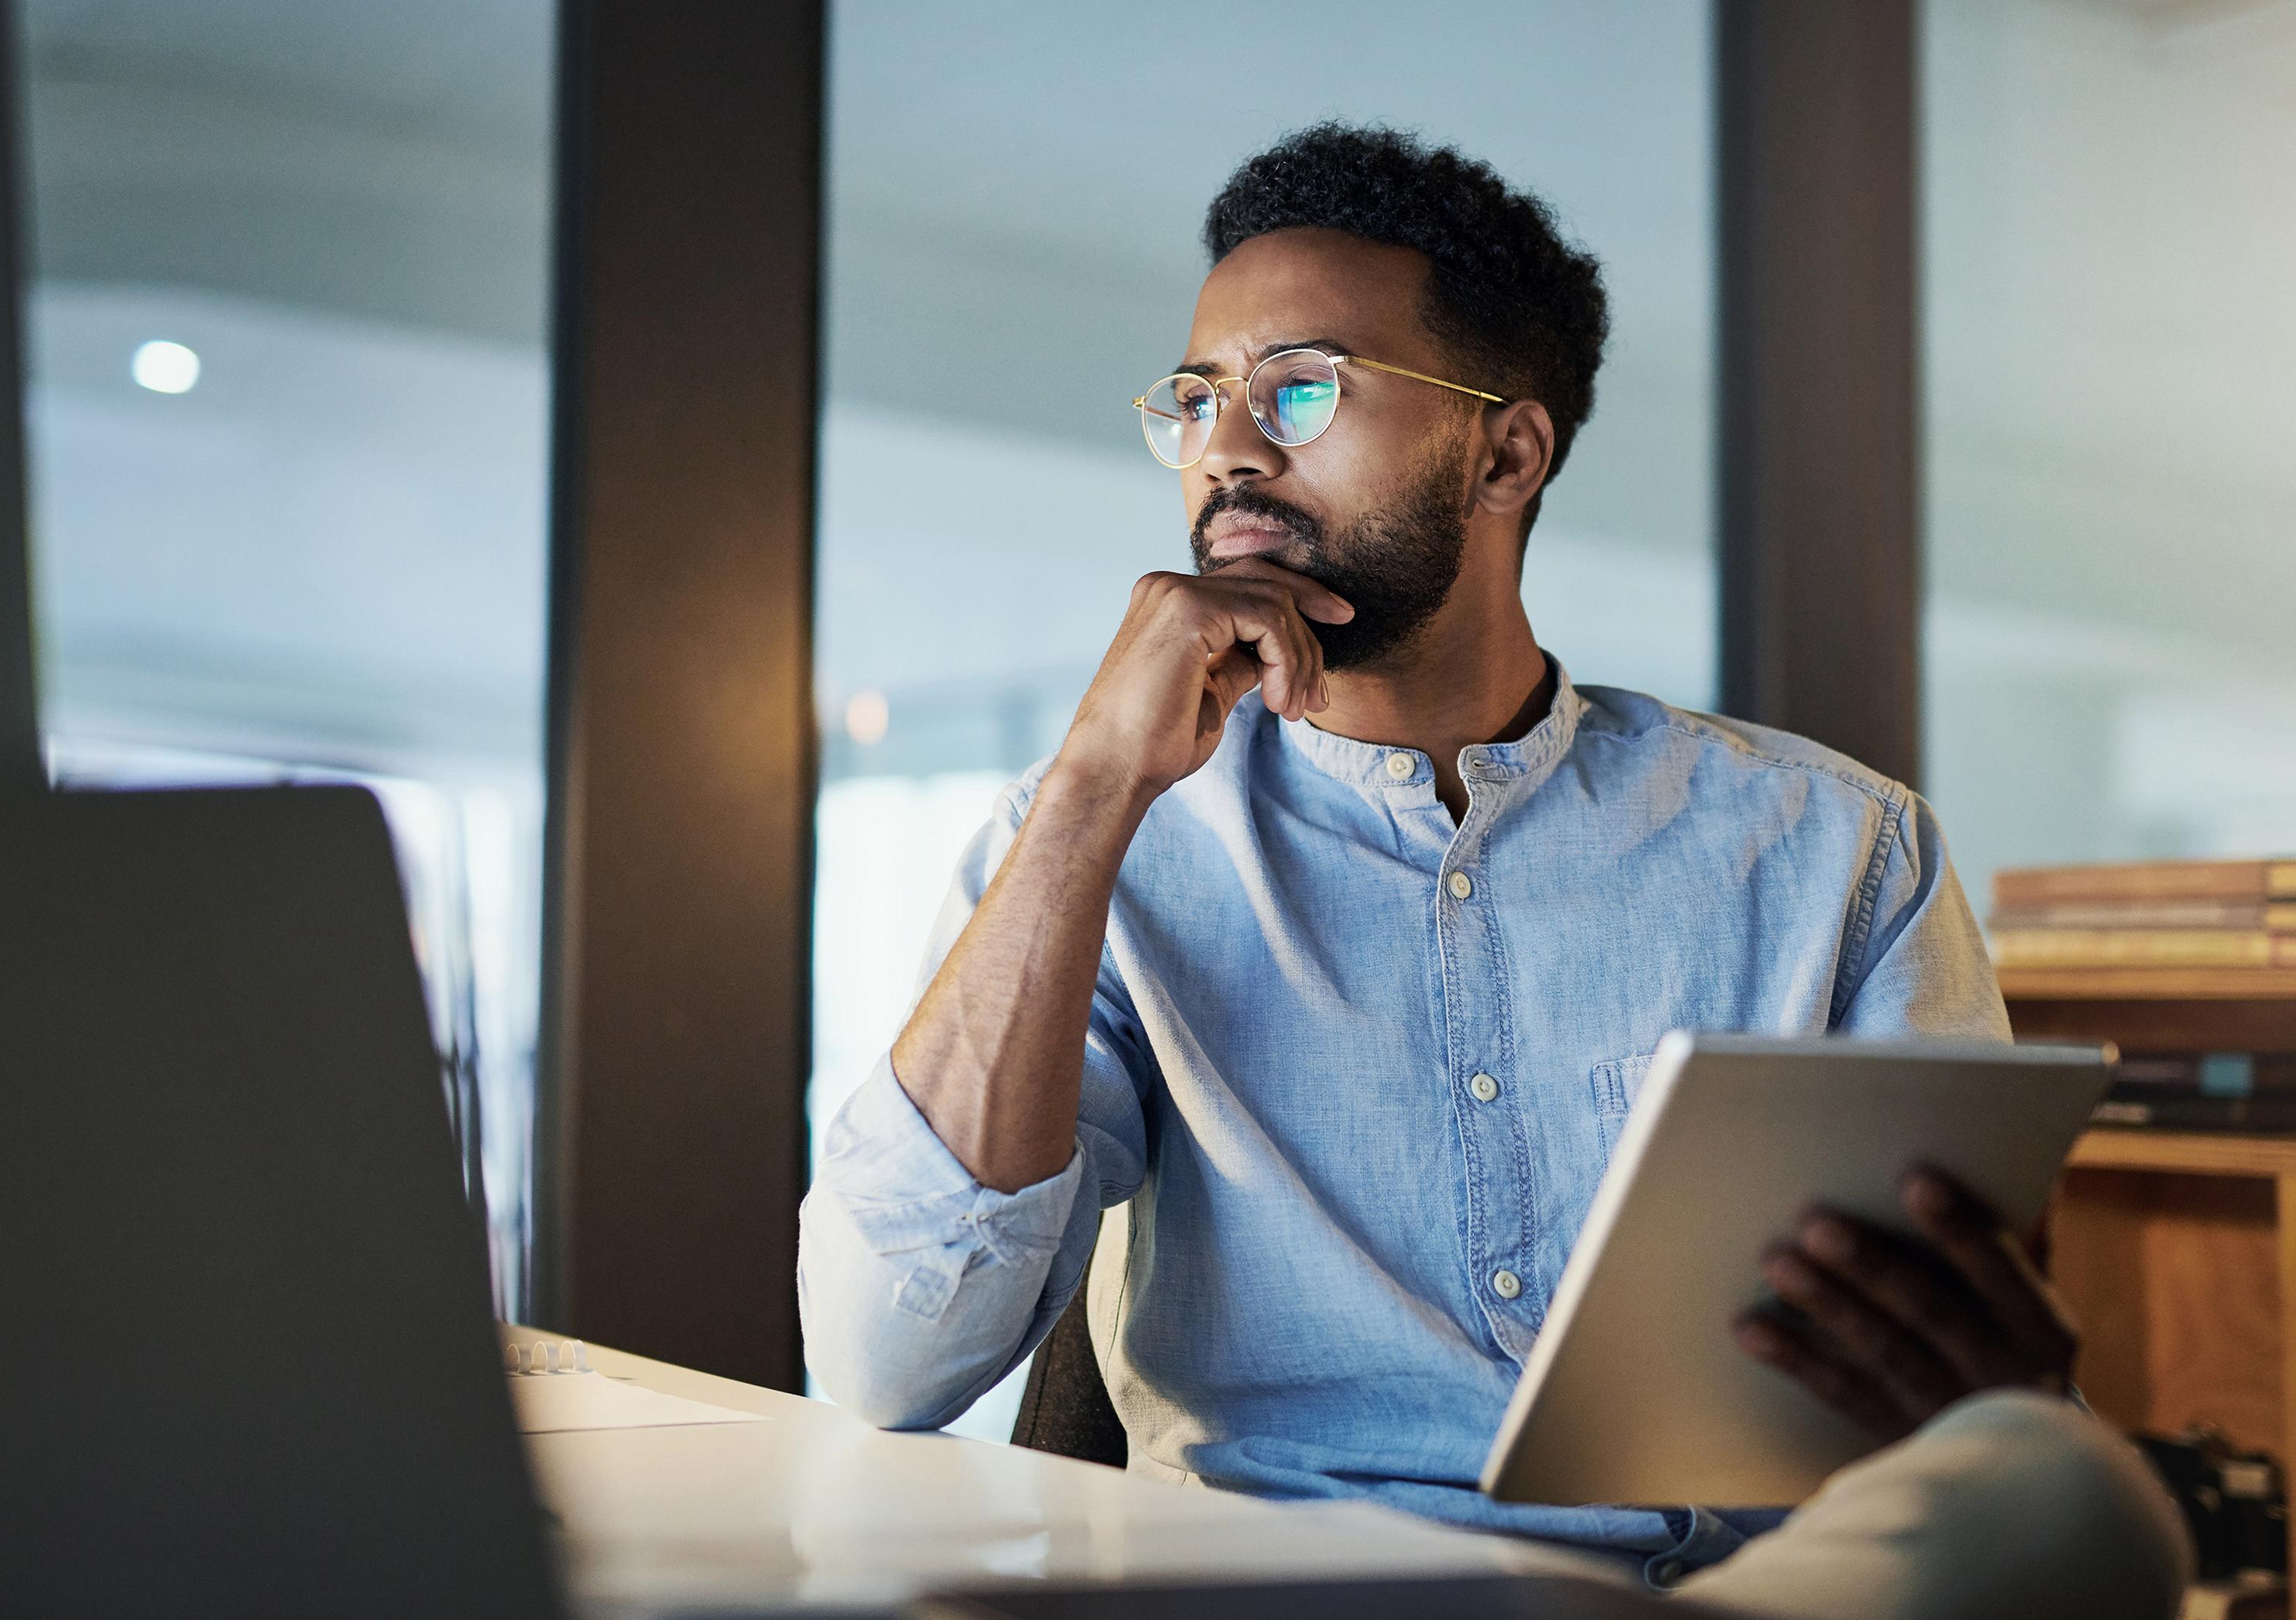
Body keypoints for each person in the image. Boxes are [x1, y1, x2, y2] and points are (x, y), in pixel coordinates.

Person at [801, 125, 2187, 1614]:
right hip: (1282, 1590)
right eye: (1198, 398)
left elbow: (1953, 1403)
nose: (1228, 448)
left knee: (2077, 1498)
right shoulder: (1105, 832)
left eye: (1300, 387)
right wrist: (1088, 788)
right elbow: (886, 1359)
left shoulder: (1837, 847)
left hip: (1717, 1590)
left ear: (1506, 453)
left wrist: (2000, 1404)